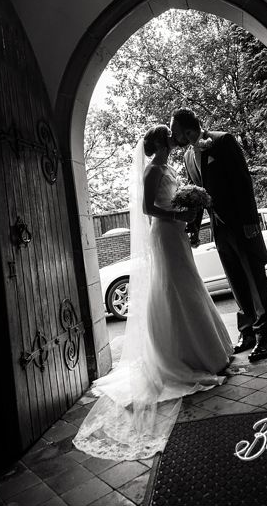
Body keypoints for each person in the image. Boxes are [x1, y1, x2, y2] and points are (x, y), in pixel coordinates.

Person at [73, 125, 232, 460]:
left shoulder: (169, 168)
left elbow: (173, 201)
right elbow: (147, 210)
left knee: (189, 288)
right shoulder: (151, 171)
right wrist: (178, 214)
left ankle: (207, 351)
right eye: (168, 138)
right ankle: (182, 356)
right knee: (176, 290)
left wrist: (189, 217)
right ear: (158, 143)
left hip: (175, 231)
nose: (174, 141)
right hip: (163, 233)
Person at [170, 107, 267, 362]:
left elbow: (243, 182)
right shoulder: (187, 157)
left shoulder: (223, 141)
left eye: (176, 132)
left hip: (241, 224)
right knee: (236, 280)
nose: (174, 138)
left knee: (254, 279)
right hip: (219, 229)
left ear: (187, 129)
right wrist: (194, 228)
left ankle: (266, 338)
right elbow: (196, 194)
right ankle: (247, 332)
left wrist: (251, 221)